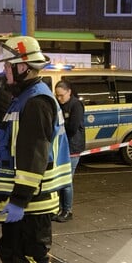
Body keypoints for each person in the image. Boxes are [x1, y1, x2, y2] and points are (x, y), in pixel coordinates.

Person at [0, 36, 72, 263]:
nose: (5, 71)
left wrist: (20, 199)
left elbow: (35, 155)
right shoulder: (24, 98)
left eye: (9, 65)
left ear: (23, 67)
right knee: (10, 249)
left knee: (31, 255)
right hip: (21, 199)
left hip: (33, 200)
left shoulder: (35, 101)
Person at [52, 80, 85, 222]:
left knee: (66, 181)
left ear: (69, 92)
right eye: (57, 95)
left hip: (72, 147)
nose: (59, 98)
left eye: (61, 96)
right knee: (60, 180)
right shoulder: (59, 105)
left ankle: (67, 210)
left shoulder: (76, 105)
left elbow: (72, 128)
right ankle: (60, 209)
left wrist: (60, 125)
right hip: (62, 146)